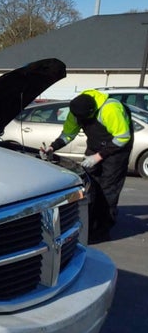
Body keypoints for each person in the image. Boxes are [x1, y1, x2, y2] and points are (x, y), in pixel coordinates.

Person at [44, 89, 133, 241]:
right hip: (95, 145)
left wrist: (99, 156)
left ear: (92, 111)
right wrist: (53, 147)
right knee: (89, 183)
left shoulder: (110, 109)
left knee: (108, 189)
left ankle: (103, 229)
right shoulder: (76, 111)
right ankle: (89, 221)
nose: (82, 121)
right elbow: (68, 134)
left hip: (117, 149)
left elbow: (122, 137)